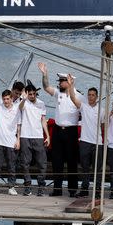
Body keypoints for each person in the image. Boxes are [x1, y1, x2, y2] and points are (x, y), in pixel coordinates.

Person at [38, 62, 79, 197]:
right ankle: (57, 189)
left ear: (69, 82)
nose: (60, 83)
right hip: (57, 130)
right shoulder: (58, 94)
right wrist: (45, 74)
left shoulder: (79, 96)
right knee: (57, 161)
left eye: (62, 81)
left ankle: (72, 189)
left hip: (71, 131)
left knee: (72, 161)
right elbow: (46, 87)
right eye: (60, 81)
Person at [67, 76, 102, 198]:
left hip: (98, 143)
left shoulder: (101, 110)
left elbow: (104, 125)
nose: (90, 97)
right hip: (85, 142)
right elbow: (72, 97)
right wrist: (71, 85)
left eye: (93, 95)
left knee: (97, 169)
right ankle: (85, 189)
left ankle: (97, 190)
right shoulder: (84, 106)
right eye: (89, 95)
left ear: (97, 97)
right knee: (85, 168)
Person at [0, 89, 24, 195]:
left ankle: (11, 187)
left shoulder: (17, 109)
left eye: (8, 99)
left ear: (12, 99)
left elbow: (19, 126)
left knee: (11, 166)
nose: (6, 101)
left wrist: (18, 140)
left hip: (11, 142)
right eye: (4, 99)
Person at [18, 83, 49, 196]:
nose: (32, 96)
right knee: (25, 163)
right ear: (26, 94)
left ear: (36, 93)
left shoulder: (41, 104)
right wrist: (23, 98)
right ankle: (28, 185)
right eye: (30, 94)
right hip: (25, 136)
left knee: (42, 162)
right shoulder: (24, 103)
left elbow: (43, 120)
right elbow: (20, 108)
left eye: (33, 94)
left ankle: (41, 185)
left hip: (38, 136)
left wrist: (48, 136)